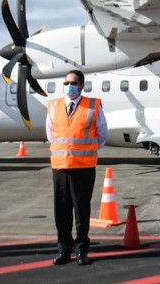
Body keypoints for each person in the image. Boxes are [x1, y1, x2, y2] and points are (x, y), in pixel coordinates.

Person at [46, 70, 107, 266]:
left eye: (73, 82)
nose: (68, 86)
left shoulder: (93, 105)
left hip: (83, 167)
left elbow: (102, 134)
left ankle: (82, 249)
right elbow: (51, 134)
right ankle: (64, 248)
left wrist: (84, 150)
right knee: (61, 212)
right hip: (60, 167)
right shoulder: (54, 105)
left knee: (81, 211)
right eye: (66, 82)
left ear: (81, 85)